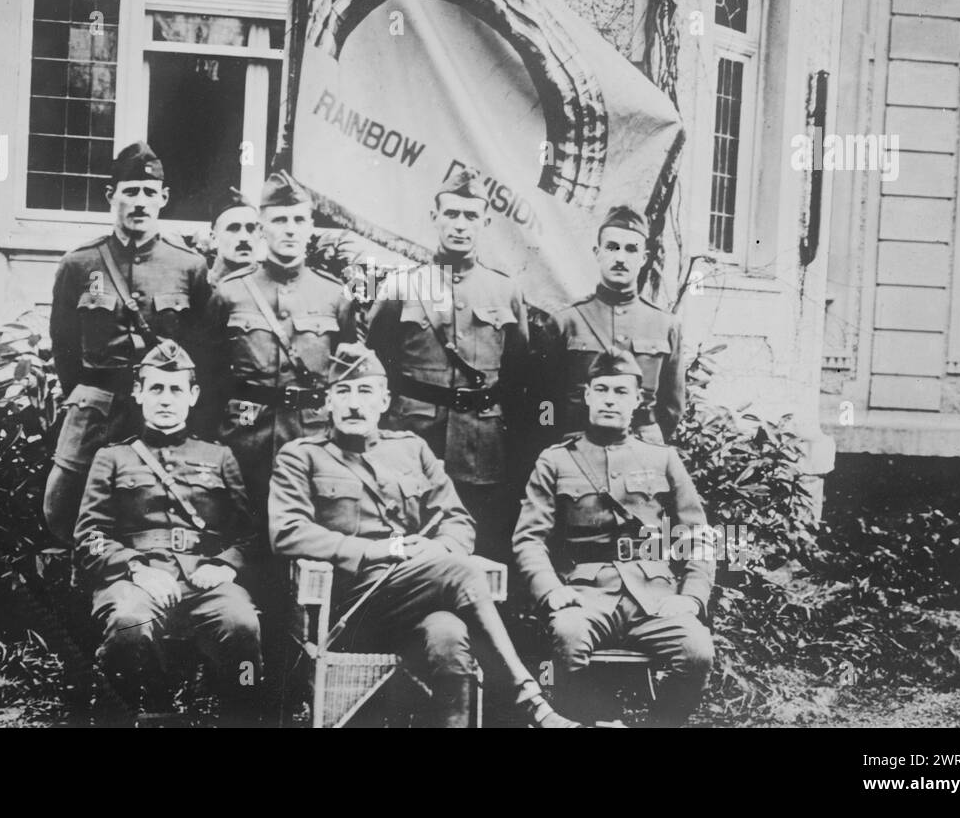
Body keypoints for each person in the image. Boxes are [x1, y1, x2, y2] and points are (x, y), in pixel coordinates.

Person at [268, 343, 580, 728]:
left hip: (420, 593)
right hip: (351, 604)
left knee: (448, 633)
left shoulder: (412, 449)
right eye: (343, 393)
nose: (353, 404)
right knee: (465, 573)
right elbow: (288, 531)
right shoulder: (301, 456)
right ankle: (528, 700)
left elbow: (458, 521)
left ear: (384, 400)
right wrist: (374, 549)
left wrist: (434, 549)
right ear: (327, 402)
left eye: (364, 392)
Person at [513, 349, 714, 727]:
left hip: (655, 595)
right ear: (586, 395)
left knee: (697, 650)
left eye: (621, 392)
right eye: (601, 389)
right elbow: (529, 538)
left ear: (638, 400)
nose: (609, 399)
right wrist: (550, 588)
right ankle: (588, 723)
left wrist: (691, 596)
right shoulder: (555, 460)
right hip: (586, 593)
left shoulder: (663, 458)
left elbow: (697, 534)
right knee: (568, 635)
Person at [74, 341, 261, 723]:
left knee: (243, 625)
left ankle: (244, 714)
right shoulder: (112, 458)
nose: (166, 399)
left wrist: (226, 566)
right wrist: (137, 569)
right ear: (138, 392)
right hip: (135, 581)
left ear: (193, 396)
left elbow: (251, 534)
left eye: (176, 389)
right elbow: (89, 534)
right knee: (128, 622)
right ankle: (115, 717)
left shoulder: (219, 457)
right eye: (156, 388)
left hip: (205, 581)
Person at [45, 141, 210, 543]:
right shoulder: (79, 264)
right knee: (62, 507)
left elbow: (202, 348)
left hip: (158, 412)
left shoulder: (188, 266)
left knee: (152, 510)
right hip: (97, 411)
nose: (140, 202)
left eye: (149, 193)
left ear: (164, 199)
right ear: (111, 196)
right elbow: (63, 342)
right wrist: (88, 398)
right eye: (130, 191)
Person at [361, 168, 529, 562]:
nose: (460, 225)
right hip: (415, 441)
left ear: (486, 222)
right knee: (411, 553)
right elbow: (374, 367)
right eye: (451, 214)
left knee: (479, 553)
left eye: (471, 216)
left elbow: (520, 378)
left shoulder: (506, 291)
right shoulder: (402, 287)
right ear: (434, 217)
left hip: (482, 448)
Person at [203, 170, 355, 515]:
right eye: (280, 219)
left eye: (299, 220)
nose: (290, 229)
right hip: (244, 438)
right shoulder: (230, 292)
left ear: (311, 227)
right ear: (261, 228)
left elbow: (346, 377)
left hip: (313, 438)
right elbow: (207, 375)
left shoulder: (334, 295)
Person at [544, 205, 684, 444]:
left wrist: (649, 446)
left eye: (631, 249)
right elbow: (543, 399)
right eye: (612, 247)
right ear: (597, 252)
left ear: (644, 257)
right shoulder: (565, 322)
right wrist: (550, 444)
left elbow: (672, 405)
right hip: (577, 450)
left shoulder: (664, 324)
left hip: (642, 450)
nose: (620, 258)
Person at [208, 188, 259, 284]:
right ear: (213, 239)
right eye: (233, 228)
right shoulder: (198, 286)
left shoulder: (269, 288)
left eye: (250, 229)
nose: (244, 238)